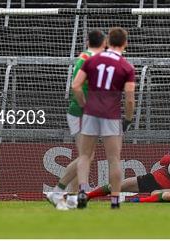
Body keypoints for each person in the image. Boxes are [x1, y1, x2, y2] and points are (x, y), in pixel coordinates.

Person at [72, 27, 135, 209]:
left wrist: (84, 106)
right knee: (114, 159)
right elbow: (130, 99)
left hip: (91, 113)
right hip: (112, 116)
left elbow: (76, 85)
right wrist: (128, 120)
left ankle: (82, 191)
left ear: (107, 42)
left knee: (84, 156)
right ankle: (115, 200)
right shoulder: (126, 66)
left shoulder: (92, 60)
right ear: (125, 43)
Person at [45, 30, 106, 210]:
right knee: (86, 156)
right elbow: (76, 86)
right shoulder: (87, 58)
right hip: (80, 113)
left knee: (85, 156)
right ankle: (57, 192)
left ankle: (71, 198)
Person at [87, 133, 170, 203]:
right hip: (151, 179)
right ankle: (87, 196)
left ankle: (136, 201)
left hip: (167, 189)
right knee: (115, 186)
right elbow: (163, 161)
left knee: (169, 196)